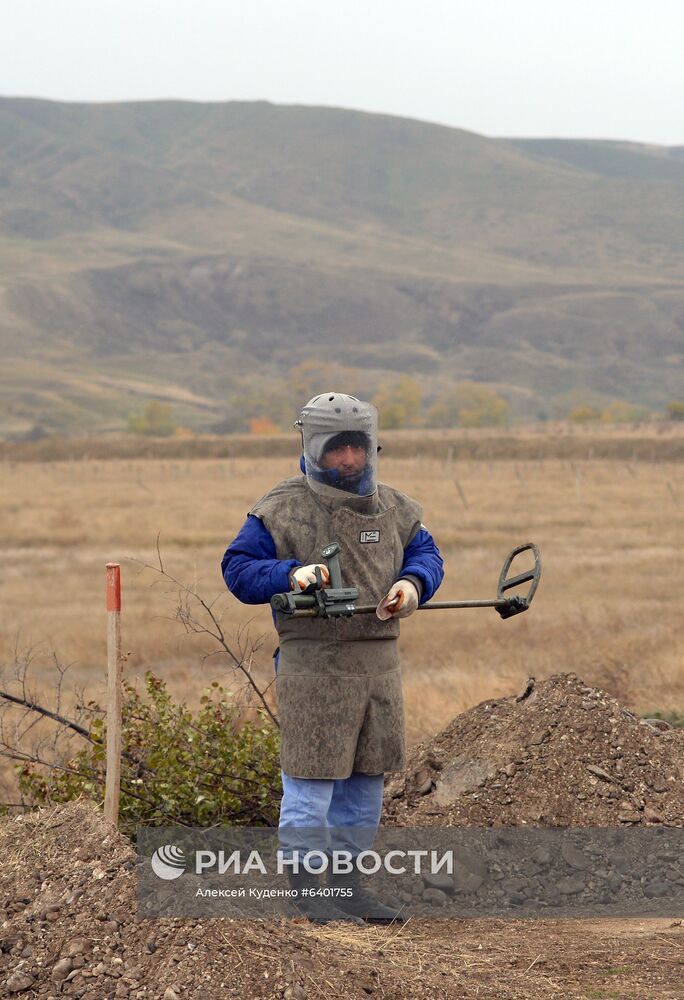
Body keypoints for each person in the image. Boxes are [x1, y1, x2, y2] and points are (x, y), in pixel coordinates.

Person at [221, 392, 444, 923]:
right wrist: (288, 574)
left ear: (372, 447)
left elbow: (427, 554)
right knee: (311, 784)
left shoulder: (395, 506)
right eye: (337, 448)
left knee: (366, 788)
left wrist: (414, 585)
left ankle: (348, 891)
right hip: (312, 665)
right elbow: (236, 569)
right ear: (313, 446)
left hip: (379, 668)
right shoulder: (280, 507)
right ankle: (307, 898)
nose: (349, 460)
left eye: (358, 447)